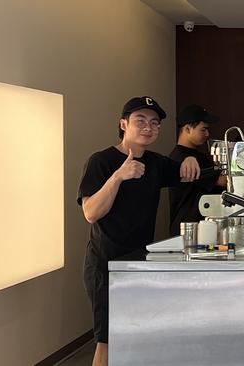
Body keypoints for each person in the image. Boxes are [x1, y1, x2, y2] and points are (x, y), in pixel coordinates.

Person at [77, 96, 200, 366]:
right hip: (105, 266)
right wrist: (119, 176)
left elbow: (184, 171)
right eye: (140, 121)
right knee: (107, 341)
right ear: (123, 124)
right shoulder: (102, 161)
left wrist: (190, 158)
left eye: (154, 123)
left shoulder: (156, 163)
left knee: (133, 336)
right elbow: (91, 213)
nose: (148, 127)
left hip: (138, 264)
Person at [169, 104, 227, 236]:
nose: (207, 134)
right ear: (188, 129)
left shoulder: (199, 156)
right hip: (187, 230)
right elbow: (222, 181)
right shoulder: (180, 159)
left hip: (203, 227)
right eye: (203, 130)